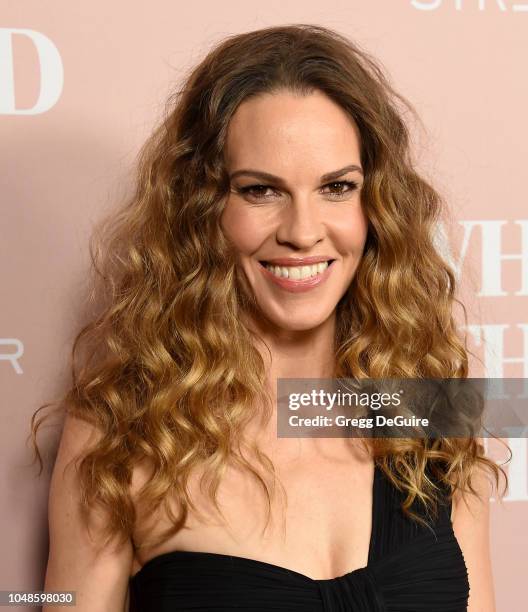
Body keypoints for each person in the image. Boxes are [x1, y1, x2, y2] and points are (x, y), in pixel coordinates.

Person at [30, 23, 509, 612]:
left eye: (337, 187)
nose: (303, 231)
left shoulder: (432, 408)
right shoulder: (124, 431)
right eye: (261, 191)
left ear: (376, 205)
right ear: (204, 208)